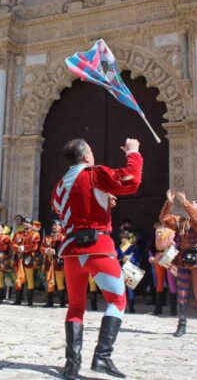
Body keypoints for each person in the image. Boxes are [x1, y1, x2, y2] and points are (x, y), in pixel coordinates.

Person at [51, 138, 143, 379]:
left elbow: (67, 210)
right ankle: (102, 356)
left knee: (75, 307)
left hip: (71, 252)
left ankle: (71, 366)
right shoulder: (94, 173)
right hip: (98, 249)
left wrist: (103, 199)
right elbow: (131, 180)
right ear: (87, 156)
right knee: (117, 300)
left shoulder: (60, 185)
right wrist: (133, 154)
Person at [159, 190, 197, 337]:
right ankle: (182, 325)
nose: (192, 203)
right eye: (192, 202)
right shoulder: (181, 221)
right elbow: (164, 219)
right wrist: (169, 202)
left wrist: (185, 202)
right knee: (182, 293)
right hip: (182, 258)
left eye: (196, 203)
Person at [148, 222, 177, 316]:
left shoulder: (174, 232)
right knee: (159, 282)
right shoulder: (157, 231)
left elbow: (179, 245)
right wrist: (151, 255)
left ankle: (173, 310)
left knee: (171, 282)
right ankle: (158, 308)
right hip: (159, 256)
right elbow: (151, 245)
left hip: (170, 256)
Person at [11, 217, 40, 306]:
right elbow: (13, 243)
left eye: (28, 223)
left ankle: (29, 301)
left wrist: (24, 248)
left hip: (29, 258)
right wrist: (18, 248)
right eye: (25, 223)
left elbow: (34, 246)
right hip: (19, 258)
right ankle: (18, 299)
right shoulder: (18, 234)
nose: (26, 224)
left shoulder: (35, 234)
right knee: (19, 278)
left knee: (30, 279)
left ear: (31, 225)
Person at [40, 219, 66, 308]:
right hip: (49, 261)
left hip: (58, 261)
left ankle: (62, 303)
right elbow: (42, 247)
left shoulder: (62, 237)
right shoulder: (47, 237)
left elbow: (65, 248)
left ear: (60, 227)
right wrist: (46, 250)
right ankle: (49, 302)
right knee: (49, 281)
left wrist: (55, 251)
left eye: (56, 225)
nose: (54, 227)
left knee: (60, 282)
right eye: (53, 225)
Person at [117, 231, 140, 314]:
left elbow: (137, 258)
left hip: (130, 269)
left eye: (125, 238)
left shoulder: (133, 247)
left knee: (130, 288)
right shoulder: (119, 247)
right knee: (121, 289)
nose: (123, 240)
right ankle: (122, 306)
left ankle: (131, 307)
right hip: (120, 268)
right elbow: (116, 257)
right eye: (122, 238)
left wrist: (130, 259)